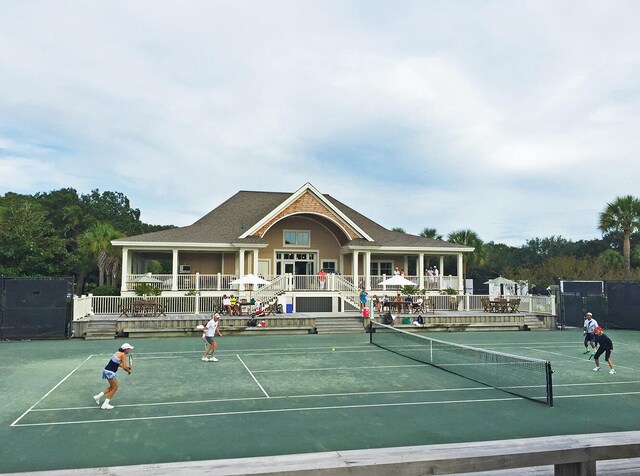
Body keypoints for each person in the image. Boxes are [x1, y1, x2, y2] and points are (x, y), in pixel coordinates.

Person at [93, 343, 133, 410]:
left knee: (112, 387)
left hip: (106, 370)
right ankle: (105, 404)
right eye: (129, 349)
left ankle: (98, 397)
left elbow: (117, 364)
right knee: (115, 387)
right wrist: (128, 371)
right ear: (126, 349)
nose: (130, 351)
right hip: (110, 372)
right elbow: (124, 367)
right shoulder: (123, 355)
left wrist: (126, 367)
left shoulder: (118, 353)